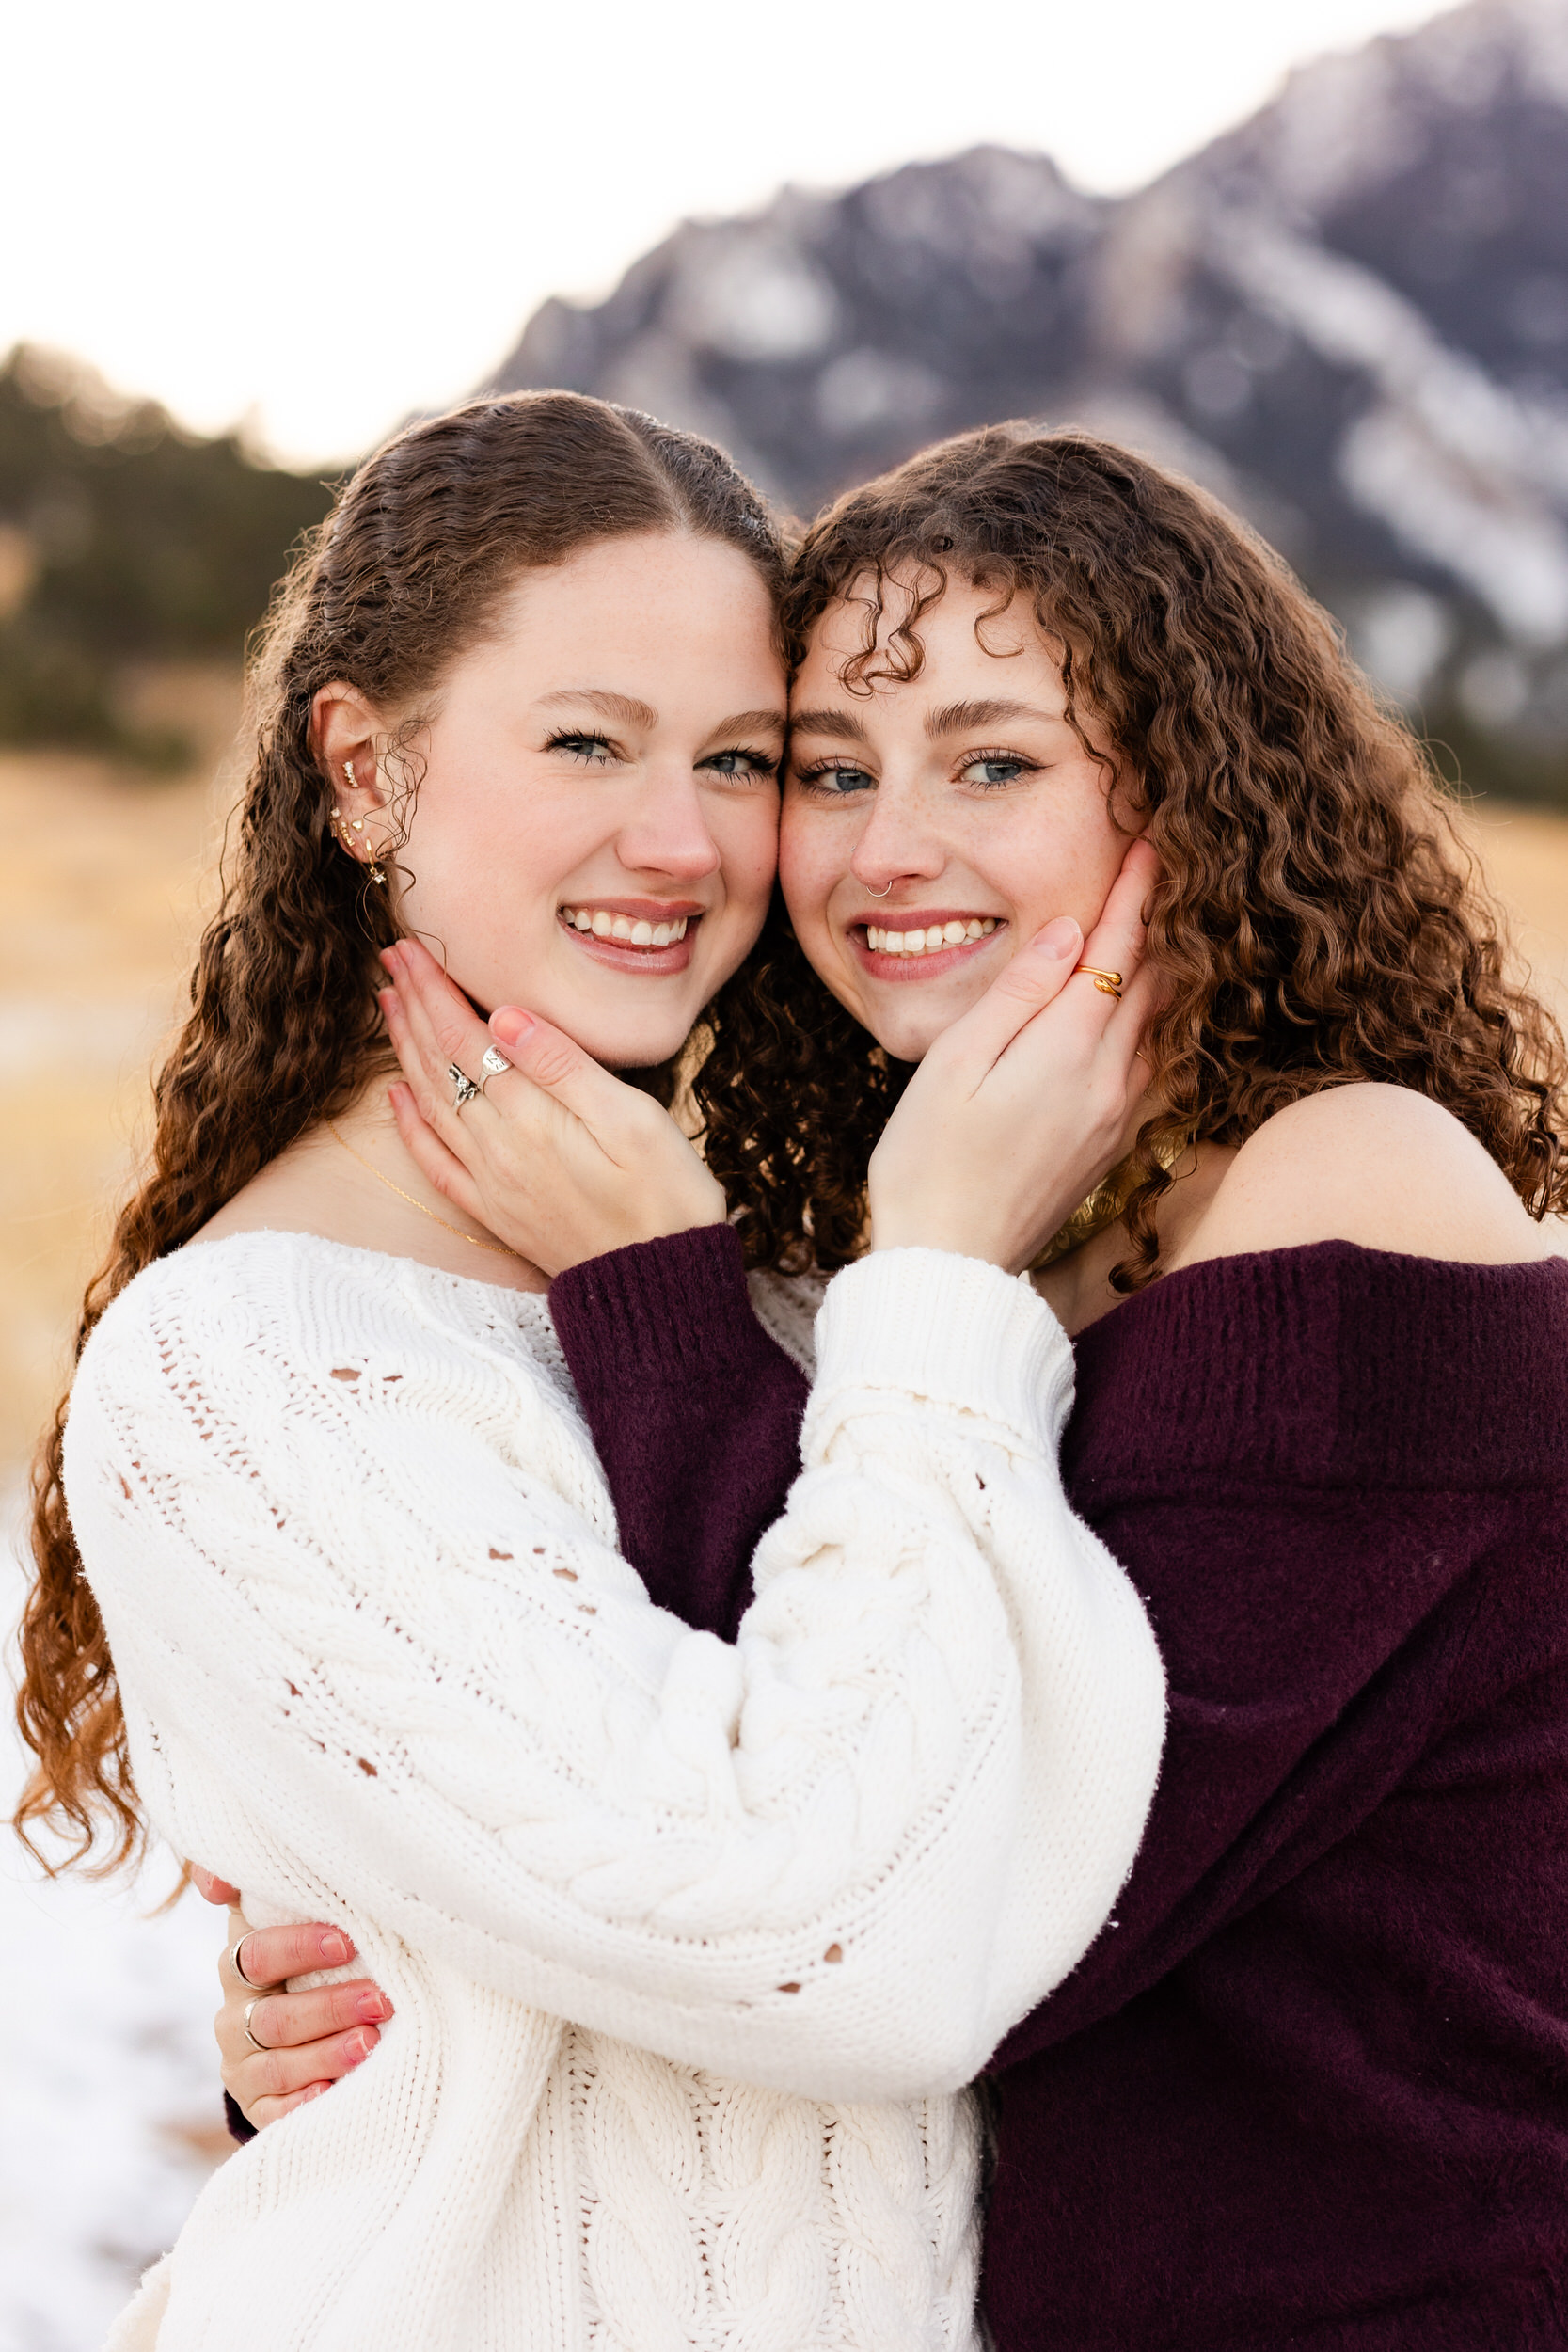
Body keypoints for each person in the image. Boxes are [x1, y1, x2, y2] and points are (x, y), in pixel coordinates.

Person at [232, 422, 1568, 2346]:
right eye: (833, 770)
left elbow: (935, 1905)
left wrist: (657, 1294)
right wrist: (416, 1997)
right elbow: (715, 1765)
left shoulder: (1347, 1192)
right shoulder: (980, 1243)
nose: (885, 848)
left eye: (995, 761)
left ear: (1190, 798)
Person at [15, 393, 1168, 2351]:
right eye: (585, 741)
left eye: (737, 757)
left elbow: (1087, 1833)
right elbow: (835, 1935)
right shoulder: (243, 1366)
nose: (683, 837)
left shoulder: (798, 1291)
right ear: (364, 770)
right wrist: (949, 1276)